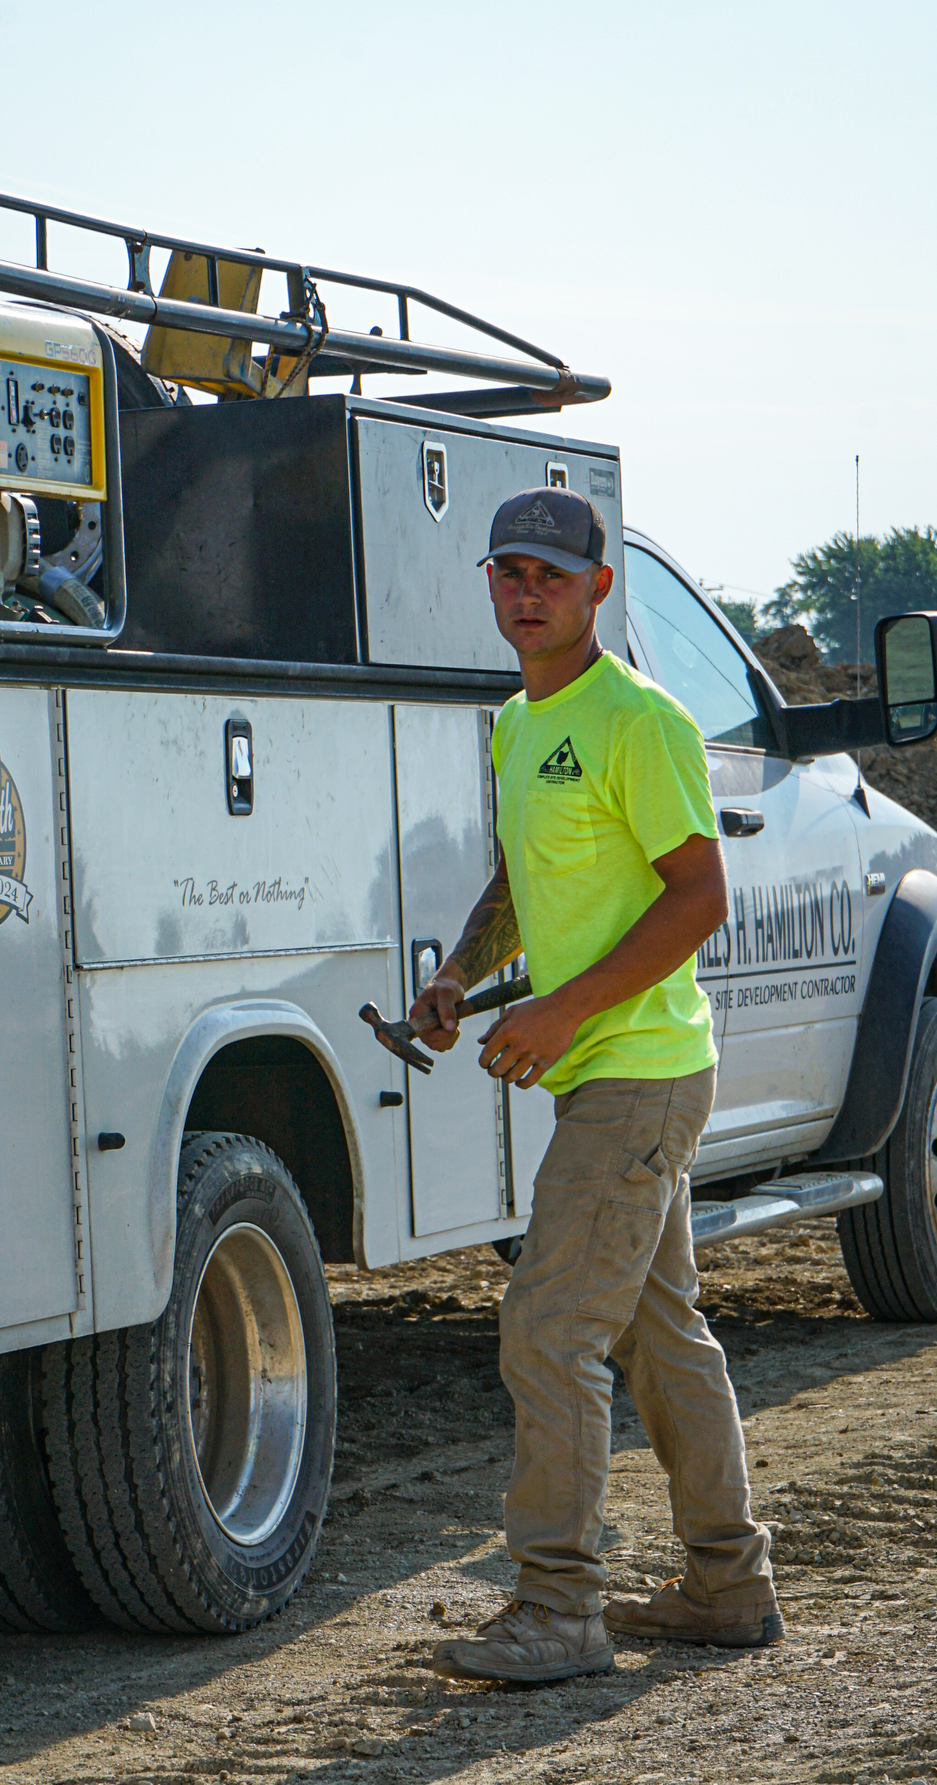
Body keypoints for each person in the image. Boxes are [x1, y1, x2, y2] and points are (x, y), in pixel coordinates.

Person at [415, 487, 780, 1686]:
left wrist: (562, 1011)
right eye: (510, 573)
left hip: (641, 1074)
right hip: (610, 1075)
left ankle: (561, 1610)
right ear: (492, 585)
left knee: (549, 1327)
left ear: (598, 589)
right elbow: (524, 879)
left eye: (553, 577)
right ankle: (728, 1588)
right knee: (657, 1333)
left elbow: (698, 895)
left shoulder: (640, 721)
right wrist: (459, 977)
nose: (529, 593)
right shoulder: (518, 724)